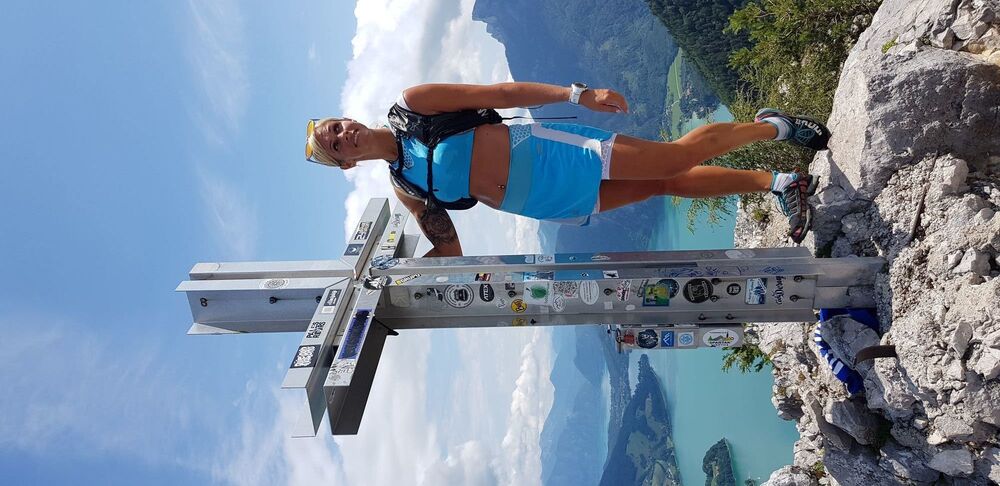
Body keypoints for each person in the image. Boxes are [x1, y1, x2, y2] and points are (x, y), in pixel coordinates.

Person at [305, 82, 828, 257]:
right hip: (540, 201)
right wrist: (393, 276)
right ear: (347, 163)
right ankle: (779, 184)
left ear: (346, 119)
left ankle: (774, 128)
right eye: (335, 145)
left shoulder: (414, 105)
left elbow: (499, 94)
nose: (342, 134)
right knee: (662, 185)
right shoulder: (405, 186)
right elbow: (448, 248)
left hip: (548, 152)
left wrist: (578, 95)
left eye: (336, 126)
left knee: (671, 157)